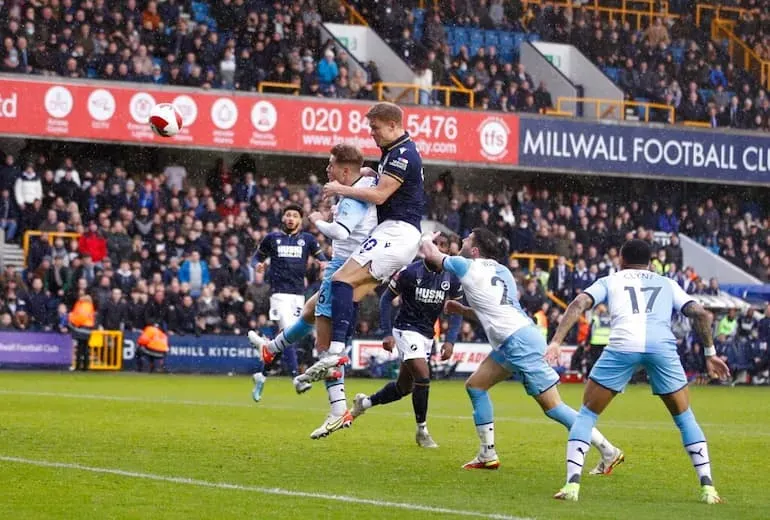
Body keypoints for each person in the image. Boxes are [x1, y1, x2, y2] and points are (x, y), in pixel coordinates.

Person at [420, 228, 623, 471]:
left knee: (554, 408)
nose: (462, 241)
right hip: (514, 339)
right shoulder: (502, 271)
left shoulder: (467, 266)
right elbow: (497, 309)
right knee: (475, 386)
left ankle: (608, 450)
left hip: (519, 343)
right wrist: (462, 311)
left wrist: (424, 237)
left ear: (474, 250)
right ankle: (487, 454)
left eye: (467, 239)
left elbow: (431, 255)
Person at [546, 239, 730, 504]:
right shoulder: (667, 283)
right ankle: (708, 489)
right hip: (661, 347)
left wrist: (556, 341)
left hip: (622, 346)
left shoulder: (611, 280)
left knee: (587, 414)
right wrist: (710, 354)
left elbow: (578, 303)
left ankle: (571, 485)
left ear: (621, 259)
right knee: (685, 418)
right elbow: (700, 313)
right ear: (651, 262)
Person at [249, 144, 378, 440]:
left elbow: (341, 232)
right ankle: (272, 349)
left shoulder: (351, 196)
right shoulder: (366, 182)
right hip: (358, 264)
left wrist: (318, 220)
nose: (327, 170)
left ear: (345, 170)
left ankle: (337, 410)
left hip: (344, 268)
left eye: (331, 165)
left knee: (325, 346)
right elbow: (370, 172)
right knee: (309, 312)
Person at [317, 102, 425, 374]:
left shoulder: (402, 154)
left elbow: (379, 196)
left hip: (397, 232)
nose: (371, 133)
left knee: (341, 279)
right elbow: (392, 184)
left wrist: (341, 188)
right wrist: (372, 173)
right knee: (349, 291)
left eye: (375, 128)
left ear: (392, 125)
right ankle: (339, 349)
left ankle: (336, 352)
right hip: (396, 233)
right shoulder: (395, 150)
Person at [352, 233, 463, 448]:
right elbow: (386, 300)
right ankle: (422, 431)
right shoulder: (410, 272)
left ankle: (364, 403)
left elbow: (456, 312)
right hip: (405, 329)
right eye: (435, 244)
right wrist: (387, 332)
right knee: (423, 376)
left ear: (448, 251)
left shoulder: (452, 277)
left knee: (404, 387)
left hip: (426, 335)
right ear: (426, 247)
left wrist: (450, 340)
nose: (437, 248)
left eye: (443, 246)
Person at [249, 204, 326, 399]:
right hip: (279, 295)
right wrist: (257, 264)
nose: (291, 218)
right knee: (289, 334)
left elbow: (322, 259)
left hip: (298, 296)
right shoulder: (272, 238)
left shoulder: (307, 239)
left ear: (300, 220)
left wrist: (323, 264)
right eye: (288, 215)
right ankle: (297, 379)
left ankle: (261, 374)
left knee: (284, 340)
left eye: (294, 216)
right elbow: (257, 257)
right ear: (283, 218)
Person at [68, 295, 95, 371]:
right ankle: (86, 366)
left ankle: (78, 366)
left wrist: (74, 324)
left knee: (80, 348)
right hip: (88, 329)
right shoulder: (91, 306)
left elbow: (80, 317)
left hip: (81, 328)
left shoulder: (83, 305)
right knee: (86, 348)